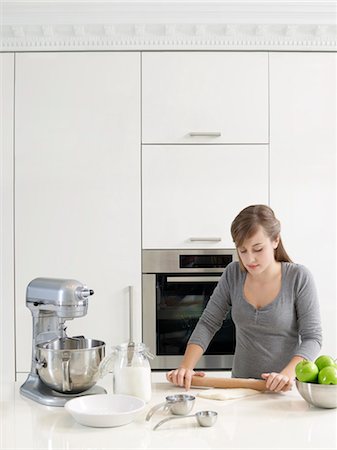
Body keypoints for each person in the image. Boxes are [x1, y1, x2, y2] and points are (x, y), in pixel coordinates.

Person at [166, 205, 322, 393]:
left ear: (275, 240)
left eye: (258, 249)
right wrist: (186, 367)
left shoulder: (298, 277)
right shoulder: (233, 274)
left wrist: (286, 374)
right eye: (243, 250)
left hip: (284, 391)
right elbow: (208, 323)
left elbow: (312, 338)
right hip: (239, 389)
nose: (250, 259)